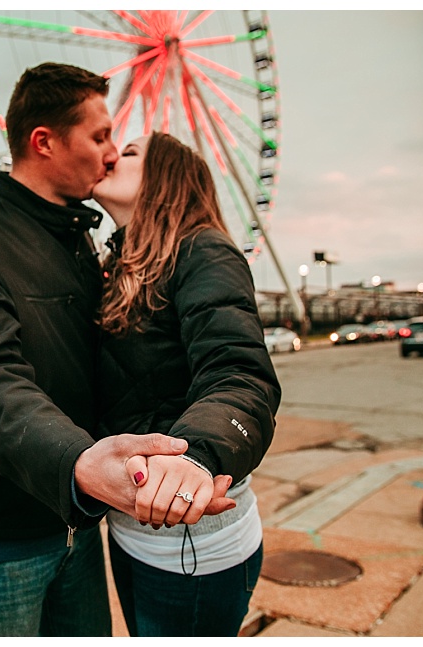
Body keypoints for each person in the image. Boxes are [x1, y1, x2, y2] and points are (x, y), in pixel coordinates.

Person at [0, 63, 232, 637]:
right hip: (1, 534)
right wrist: (79, 464)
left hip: (82, 524)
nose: (111, 153)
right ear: (44, 141)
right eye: (99, 137)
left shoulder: (84, 245)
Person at [92, 132, 282, 637]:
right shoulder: (118, 267)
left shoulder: (205, 253)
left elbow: (239, 372)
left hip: (194, 541)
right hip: (132, 526)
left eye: (130, 153)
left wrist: (196, 455)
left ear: (164, 179)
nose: (112, 155)